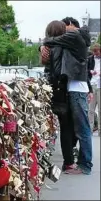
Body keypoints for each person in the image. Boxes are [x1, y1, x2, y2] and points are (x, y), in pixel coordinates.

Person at [40, 17, 93, 175]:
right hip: (71, 88)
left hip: (75, 88)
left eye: (67, 26)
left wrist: (45, 42)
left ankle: (84, 165)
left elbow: (51, 42)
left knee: (81, 128)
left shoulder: (77, 36)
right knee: (74, 127)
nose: (65, 29)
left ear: (71, 26)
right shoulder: (69, 42)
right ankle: (76, 163)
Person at [88, 44, 101, 136]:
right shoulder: (90, 59)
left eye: (96, 51)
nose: (94, 53)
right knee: (90, 109)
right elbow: (86, 70)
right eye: (93, 51)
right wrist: (90, 71)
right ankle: (90, 129)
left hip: (100, 85)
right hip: (92, 85)